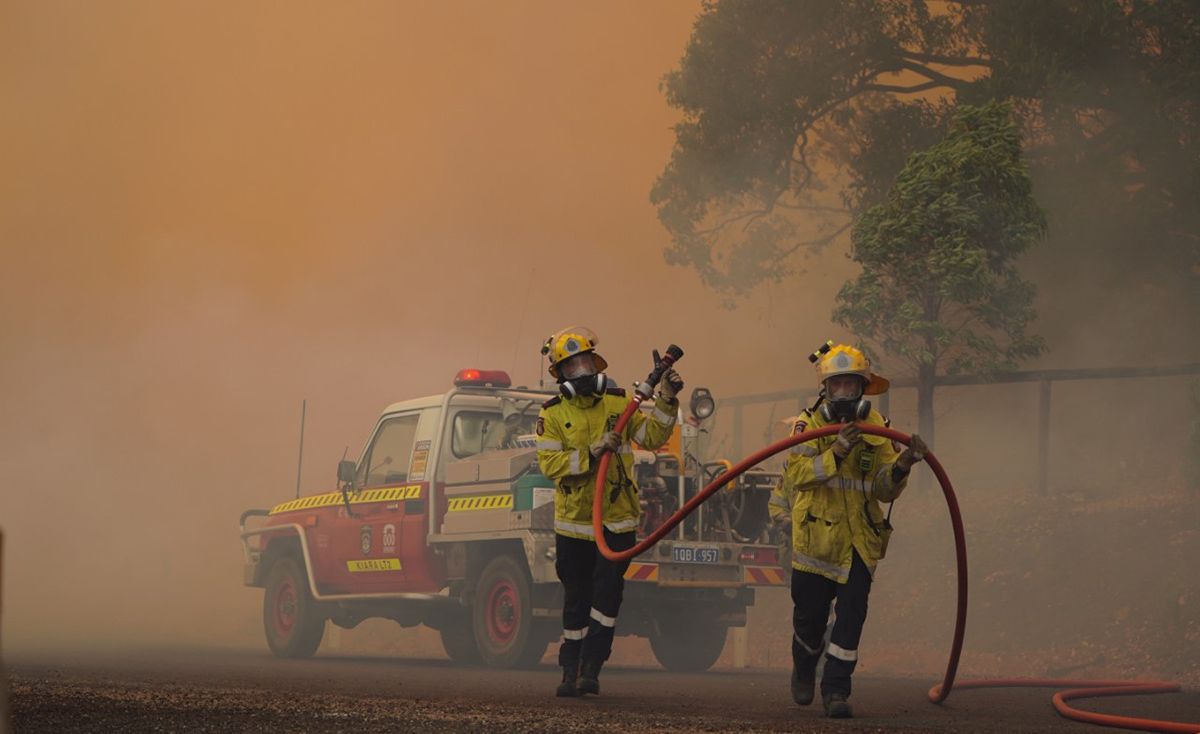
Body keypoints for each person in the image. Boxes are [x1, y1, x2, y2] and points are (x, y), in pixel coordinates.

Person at [774, 342, 928, 718]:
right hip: (816, 543)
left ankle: (837, 691)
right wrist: (835, 454)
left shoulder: (879, 430)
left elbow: (882, 489)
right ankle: (805, 664)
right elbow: (795, 477)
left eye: (851, 385)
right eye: (836, 385)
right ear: (825, 389)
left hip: (859, 542)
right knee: (809, 621)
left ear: (863, 388)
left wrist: (903, 464)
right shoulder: (806, 426)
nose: (843, 393)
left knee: (852, 616)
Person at [535, 326, 681, 697]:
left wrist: (666, 399)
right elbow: (550, 464)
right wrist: (591, 453)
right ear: (561, 376)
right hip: (574, 526)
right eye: (572, 367)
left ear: (596, 363)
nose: (581, 372)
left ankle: (591, 667)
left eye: (585, 362)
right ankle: (570, 669)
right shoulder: (552, 414)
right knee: (576, 598)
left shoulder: (618, 403)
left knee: (607, 597)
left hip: (616, 521)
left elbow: (651, 437)